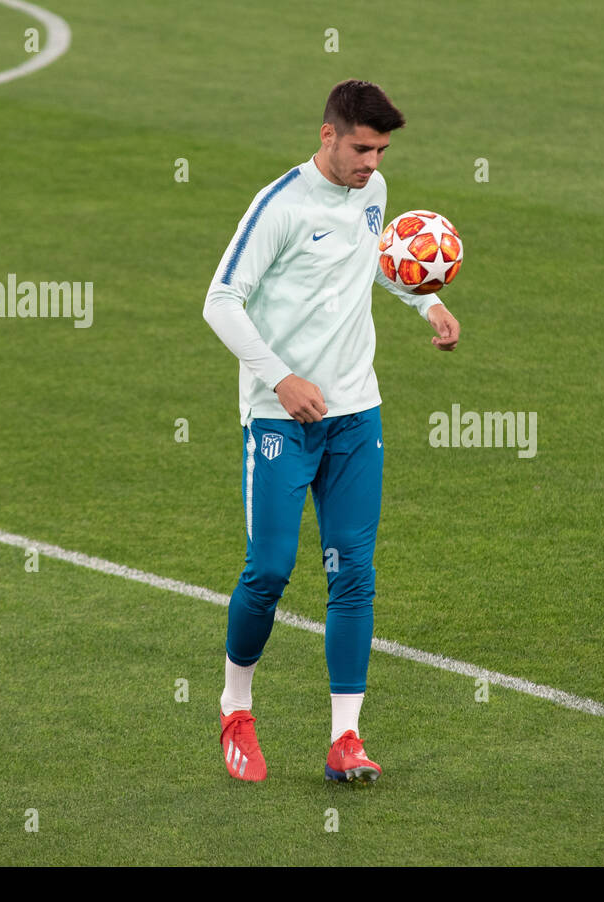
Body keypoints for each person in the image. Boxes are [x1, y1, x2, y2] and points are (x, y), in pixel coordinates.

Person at [202, 79, 461, 783]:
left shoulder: (371, 193)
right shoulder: (280, 206)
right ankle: (235, 707)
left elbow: (366, 262)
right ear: (328, 135)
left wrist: (425, 303)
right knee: (271, 569)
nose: (372, 162)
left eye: (380, 150)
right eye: (361, 147)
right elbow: (220, 302)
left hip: (355, 414)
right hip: (280, 419)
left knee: (353, 573)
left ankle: (346, 738)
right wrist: (281, 377)